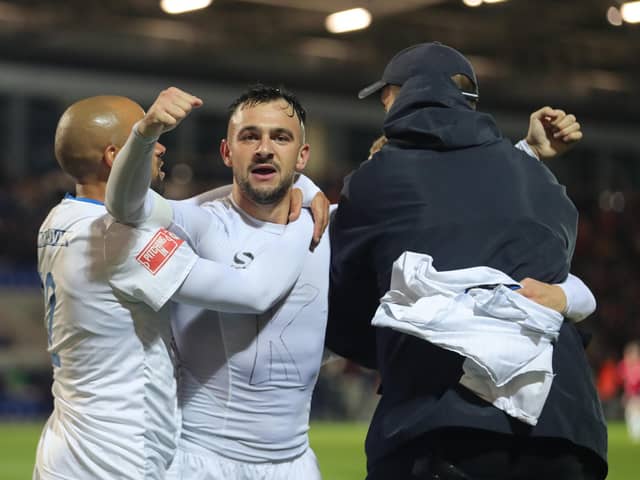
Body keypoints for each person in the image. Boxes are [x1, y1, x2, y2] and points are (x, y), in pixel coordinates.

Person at [108, 84, 598, 480]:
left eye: (279, 138)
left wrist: (528, 153)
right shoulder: (195, 220)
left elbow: (465, 221)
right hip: (199, 456)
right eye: (249, 136)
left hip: (293, 463)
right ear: (226, 150)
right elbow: (126, 206)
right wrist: (146, 133)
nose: (263, 148)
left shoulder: (337, 228)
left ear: (302, 156)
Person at [326, 42, 607, 479]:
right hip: (567, 428)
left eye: (385, 95)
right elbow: (557, 277)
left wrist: (398, 348)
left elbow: (348, 314)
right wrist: (528, 156)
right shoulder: (531, 173)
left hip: (443, 425)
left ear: (398, 95)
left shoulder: (376, 179)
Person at [34, 95, 317, 480]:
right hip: (115, 457)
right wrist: (299, 219)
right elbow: (253, 293)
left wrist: (303, 185)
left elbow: (188, 208)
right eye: (147, 141)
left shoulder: (60, 220)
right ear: (117, 157)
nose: (160, 147)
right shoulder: (119, 238)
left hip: (67, 444)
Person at [618, 341, 640, 442]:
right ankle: (634, 432)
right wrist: (626, 395)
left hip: (637, 394)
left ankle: (636, 432)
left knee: (635, 410)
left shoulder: (638, 367)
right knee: (629, 412)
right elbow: (625, 382)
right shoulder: (624, 366)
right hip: (630, 394)